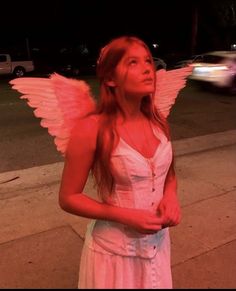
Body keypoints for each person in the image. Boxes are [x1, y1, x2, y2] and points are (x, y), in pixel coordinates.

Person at [58, 35, 181, 289]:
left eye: (148, 60)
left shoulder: (157, 121)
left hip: (158, 248)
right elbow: (69, 197)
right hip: (114, 256)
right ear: (111, 79)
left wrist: (170, 197)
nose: (149, 68)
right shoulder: (91, 128)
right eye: (133, 63)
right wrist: (125, 215)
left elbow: (169, 174)